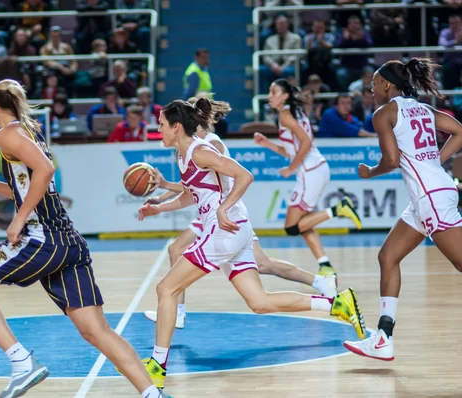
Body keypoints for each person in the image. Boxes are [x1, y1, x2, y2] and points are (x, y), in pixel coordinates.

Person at [133, 97, 366, 389]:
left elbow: (245, 175)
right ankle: (336, 304)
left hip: (223, 231)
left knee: (166, 288)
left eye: (162, 125)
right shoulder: (182, 156)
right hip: (232, 230)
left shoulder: (201, 151)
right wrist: (158, 208)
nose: (159, 130)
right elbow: (192, 195)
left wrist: (223, 207)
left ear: (177, 126)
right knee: (259, 302)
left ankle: (157, 365)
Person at [0, 79, 165, 398]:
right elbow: (34, 187)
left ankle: (22, 362)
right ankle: (153, 394)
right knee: (96, 330)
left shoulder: (6, 132)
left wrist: (19, 219)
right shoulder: (32, 131)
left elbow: (46, 170)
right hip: (68, 241)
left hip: (41, 240)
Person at [142, 97, 339, 329]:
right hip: (217, 213)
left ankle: (177, 311)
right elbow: (192, 188)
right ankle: (322, 285)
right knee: (262, 271)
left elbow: (230, 179)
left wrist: (218, 207)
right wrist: (162, 198)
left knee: (175, 251)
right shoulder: (186, 150)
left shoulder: (206, 146)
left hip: (223, 214)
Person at [343, 58, 462, 360]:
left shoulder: (385, 113)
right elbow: (460, 131)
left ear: (385, 85)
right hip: (430, 196)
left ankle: (383, 338)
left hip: (430, 199)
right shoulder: (424, 109)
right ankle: (383, 337)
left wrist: (369, 172)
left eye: (372, 85)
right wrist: (435, 159)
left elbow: (392, 161)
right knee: (388, 256)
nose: (371, 90)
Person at [254, 79, 363, 279]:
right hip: (315, 169)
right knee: (304, 224)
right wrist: (267, 143)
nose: (269, 96)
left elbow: (305, 141)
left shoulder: (286, 115)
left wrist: (291, 168)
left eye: (273, 91)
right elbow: (291, 150)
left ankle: (339, 208)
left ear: (285, 96)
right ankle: (325, 265)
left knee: (291, 227)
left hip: (310, 171)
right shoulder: (291, 113)